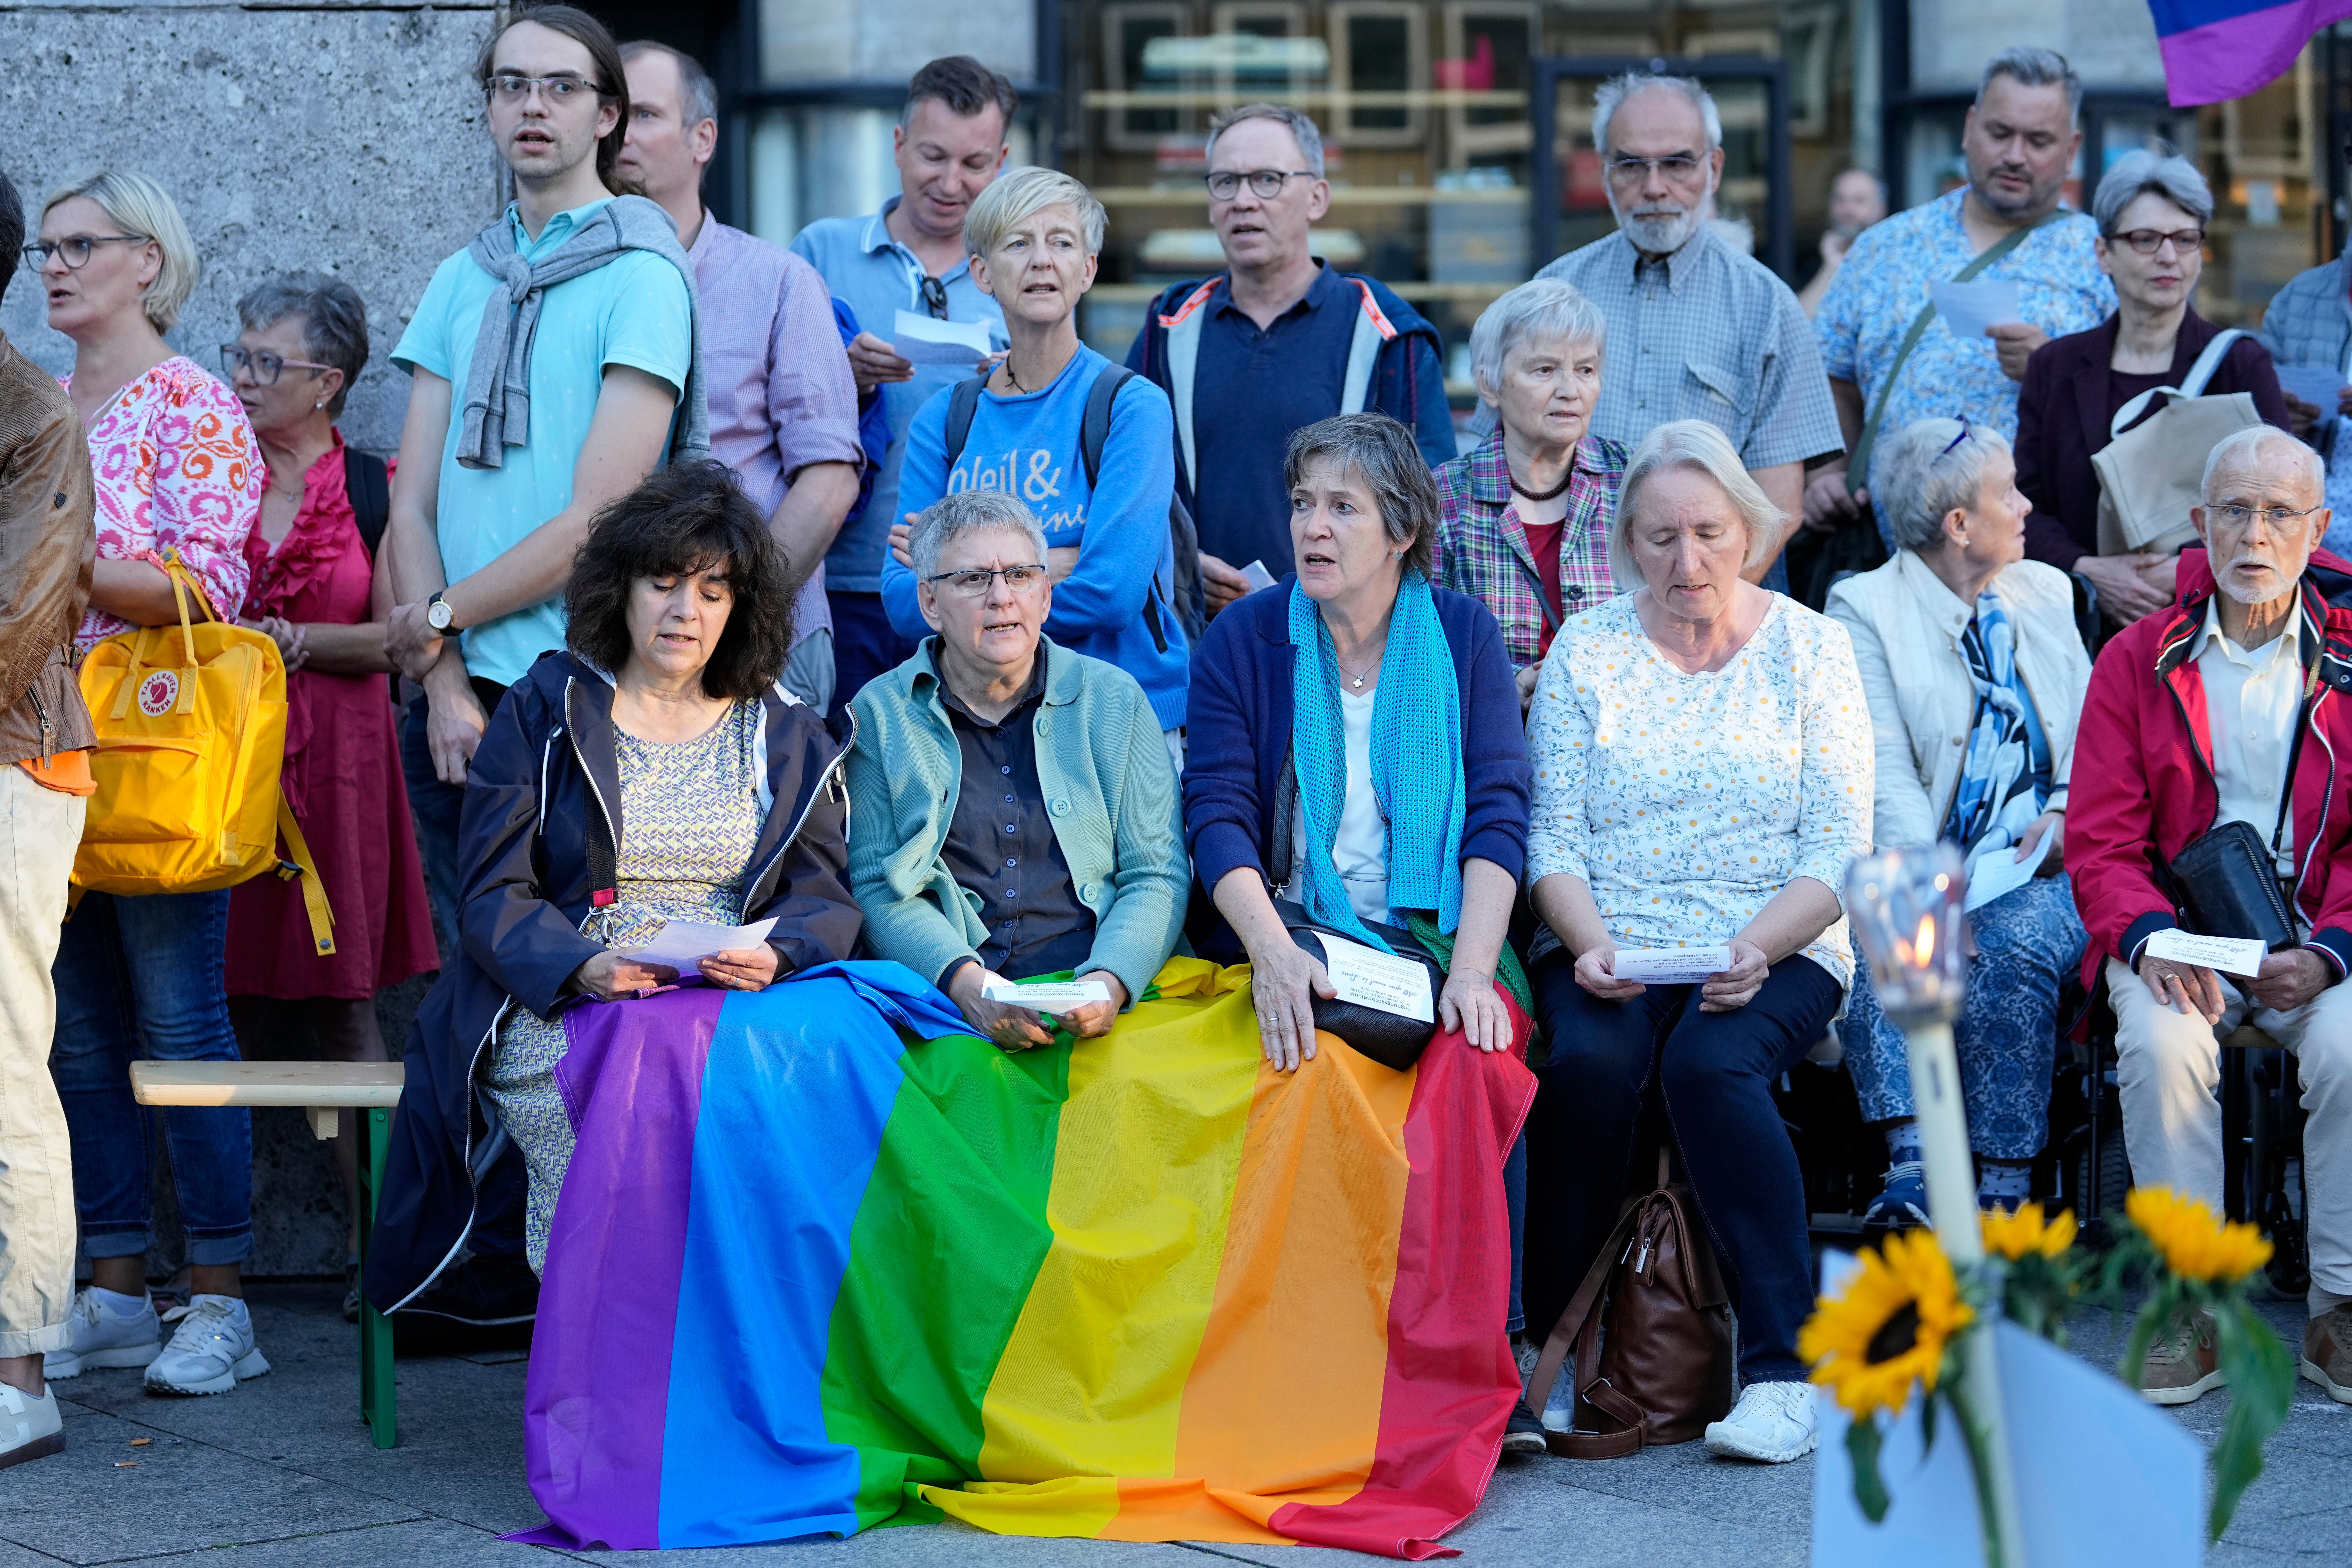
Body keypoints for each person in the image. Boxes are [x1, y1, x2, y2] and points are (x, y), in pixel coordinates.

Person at [370, 459, 861, 1292]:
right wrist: (582, 966)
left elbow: (823, 899)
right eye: (663, 583)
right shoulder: (545, 709)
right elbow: (493, 892)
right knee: (634, 1073)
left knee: (821, 1069)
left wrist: (778, 956)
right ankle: (605, 1354)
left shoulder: (783, 732)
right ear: (620, 591)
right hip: (569, 993)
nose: (685, 611)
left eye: (713, 591)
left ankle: (752, 1350)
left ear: (740, 608)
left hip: (732, 991)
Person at [1522, 419, 1873, 1464]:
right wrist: (1586, 942)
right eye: (1663, 536)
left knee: (1713, 1066)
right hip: (1613, 943)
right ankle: (1550, 1350)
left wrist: (1757, 946)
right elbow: (1554, 835)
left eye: (1711, 533)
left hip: (1777, 939)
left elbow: (1839, 845)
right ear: (1629, 539)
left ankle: (1784, 1370)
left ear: (1751, 532)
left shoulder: (1815, 648)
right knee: (1588, 1062)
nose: (1689, 560)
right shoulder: (1588, 645)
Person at [383, 3, 701, 946]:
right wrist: (442, 683)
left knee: (587, 1000)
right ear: (487, 109)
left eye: (561, 87)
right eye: (511, 85)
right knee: (467, 998)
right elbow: (411, 501)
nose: (533, 105)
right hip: (459, 699)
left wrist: (439, 618)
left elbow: (603, 516)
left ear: (606, 116)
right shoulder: (460, 277)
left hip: (589, 691)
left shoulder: (643, 272)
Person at [32, 169, 271, 1397]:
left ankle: (222, 1299)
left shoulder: (193, 405)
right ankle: (116, 1285)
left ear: (147, 258)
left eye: (79, 244)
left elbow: (209, 590)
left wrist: (59, 562)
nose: (53, 265)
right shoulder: (42, 400)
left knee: (183, 1022)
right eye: (43, 247)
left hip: (159, 748)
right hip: (42, 748)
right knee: (76, 1033)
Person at [2069, 424, 2352, 1409]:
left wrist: (2327, 954)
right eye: (2233, 509)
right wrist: (2150, 941)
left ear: (2318, 529)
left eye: (2279, 513)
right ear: (2198, 524)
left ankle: (2338, 1305)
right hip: (2175, 937)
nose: (2254, 533)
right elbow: (2100, 844)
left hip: (2316, 935)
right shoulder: (2134, 659)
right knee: (2157, 1041)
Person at [218, 276, 440, 1316]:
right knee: (221, 1004)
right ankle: (216, 1259)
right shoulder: (211, 470)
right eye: (243, 356)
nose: (247, 379)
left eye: (270, 363)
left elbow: (409, 635)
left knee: (347, 1006)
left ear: (330, 382)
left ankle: (376, 1249)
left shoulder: (372, 484)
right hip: (221, 765)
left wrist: (293, 643)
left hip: (340, 765)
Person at [1826, 419, 2090, 1226]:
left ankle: (2004, 1183)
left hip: (2037, 860)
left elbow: (2092, 736)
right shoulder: (1861, 607)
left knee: (2012, 948)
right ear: (1958, 526)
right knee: (1897, 938)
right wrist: (1933, 893)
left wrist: (2059, 811)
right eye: (2006, 492)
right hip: (1917, 855)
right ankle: (1913, 1170)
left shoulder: (2042, 591)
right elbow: (1879, 771)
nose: (2025, 506)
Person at [848, 490, 1185, 1045]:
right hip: (944, 1001)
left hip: (1098, 992)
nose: (1002, 597)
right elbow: (878, 886)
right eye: (974, 579)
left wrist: (1111, 980)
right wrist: (965, 984)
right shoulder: (880, 713)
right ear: (930, 602)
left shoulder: (1116, 699)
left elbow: (1157, 872)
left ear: (1046, 595)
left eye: (1021, 575)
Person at [881, 168, 1190, 742]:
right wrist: (1059, 560)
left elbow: (1113, 592)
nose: (1042, 260)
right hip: (979, 726)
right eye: (1018, 243)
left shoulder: (1131, 406)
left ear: (1088, 269)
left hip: (1119, 720)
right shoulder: (944, 421)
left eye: (1062, 242)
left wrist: (964, 576)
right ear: (982, 273)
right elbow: (902, 599)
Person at [1126, 105, 1453, 616]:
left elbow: (1427, 512)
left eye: (1268, 180)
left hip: (1343, 645)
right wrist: (1181, 561)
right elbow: (1126, 482)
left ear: (1317, 197)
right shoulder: (1169, 326)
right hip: (1198, 638)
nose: (1244, 201)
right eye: (1225, 182)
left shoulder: (1386, 332)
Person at [620, 39, 863, 712]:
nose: (618, 134)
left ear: (703, 139)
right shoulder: (569, 288)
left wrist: (729, 615)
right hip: (606, 641)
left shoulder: (778, 281)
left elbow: (830, 476)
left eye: (643, 115)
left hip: (760, 644)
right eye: (610, 113)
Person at [1531, 74, 1842, 581]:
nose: (1654, 187)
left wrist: (1690, 616)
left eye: (1677, 163)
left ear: (1714, 169)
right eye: (1631, 165)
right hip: (1564, 597)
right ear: (1606, 172)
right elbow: (1505, 463)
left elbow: (1779, 507)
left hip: (1718, 601)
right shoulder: (1553, 293)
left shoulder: (1767, 305)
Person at [1809, 47, 2115, 554]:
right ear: (1970, 127)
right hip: (1893, 564)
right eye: (2000, 133)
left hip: (2046, 568)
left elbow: (2137, 412)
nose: (2015, 155)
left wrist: (2052, 371)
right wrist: (1827, 471)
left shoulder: (2103, 258)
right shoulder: (1885, 248)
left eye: (2038, 140)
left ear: (2071, 148)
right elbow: (1832, 378)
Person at [792, 56, 1012, 710]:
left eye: (973, 164)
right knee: (842, 788)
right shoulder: (820, 252)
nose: (950, 182)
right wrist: (845, 377)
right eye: (931, 156)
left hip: (974, 589)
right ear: (897, 146)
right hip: (841, 579)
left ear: (1001, 161)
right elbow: (764, 404)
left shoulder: (1022, 266)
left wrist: (1015, 385)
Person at [2015, 149, 2290, 627]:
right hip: (2077, 632)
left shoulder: (2241, 363)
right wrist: (2090, 571)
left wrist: (2188, 570)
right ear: (2104, 253)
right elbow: (2023, 505)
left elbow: (2284, 506)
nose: (2168, 256)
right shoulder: (2053, 368)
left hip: (2210, 630)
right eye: (2145, 239)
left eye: (2185, 239)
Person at [0, 164, 97, 1466]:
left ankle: (20, 1369)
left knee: (1, 1057)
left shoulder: (33, 413)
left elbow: (17, 619)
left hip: (12, 764)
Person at [1434, 278, 1626, 703]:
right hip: (1494, 750)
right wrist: (1507, 689)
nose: (1570, 390)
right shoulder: (1443, 498)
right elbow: (1417, 650)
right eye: (1544, 369)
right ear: (1490, 384)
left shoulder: (1632, 482)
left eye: (1586, 370)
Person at [1795, 168, 1887, 318]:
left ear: (1880, 210)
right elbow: (1799, 323)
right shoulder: (1811, 261)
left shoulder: (1894, 259)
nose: (1848, 209)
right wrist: (1831, 266)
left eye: (1859, 201)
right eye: (1841, 200)